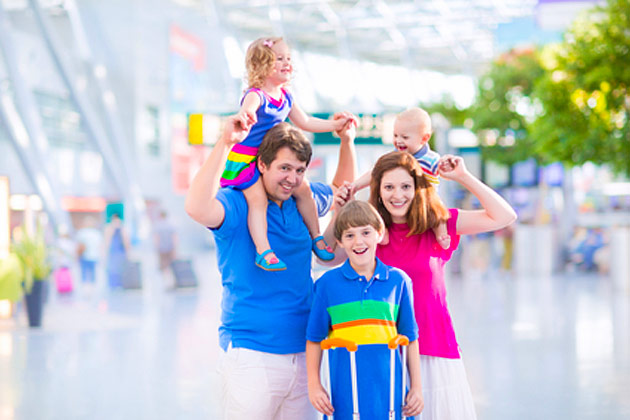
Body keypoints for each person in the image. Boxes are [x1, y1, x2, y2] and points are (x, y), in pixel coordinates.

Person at [185, 113, 357, 420]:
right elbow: (197, 208)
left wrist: (347, 141)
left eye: (299, 170)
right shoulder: (237, 203)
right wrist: (226, 142)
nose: (292, 178)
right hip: (253, 353)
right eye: (284, 168)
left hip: (306, 351)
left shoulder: (301, 201)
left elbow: (341, 188)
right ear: (262, 165)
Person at [355, 151, 516, 420]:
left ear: (417, 188)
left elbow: (504, 216)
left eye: (406, 186)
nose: (398, 195)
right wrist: (347, 198)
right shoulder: (369, 234)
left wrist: (463, 177)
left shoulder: (437, 225)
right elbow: (328, 257)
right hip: (383, 352)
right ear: (378, 191)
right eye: (389, 187)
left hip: (434, 347)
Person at [221, 36, 355, 271]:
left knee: (304, 190)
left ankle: (316, 236)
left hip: (268, 156)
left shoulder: (286, 96)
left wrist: (336, 126)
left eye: (288, 59)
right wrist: (244, 118)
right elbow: (246, 111)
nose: (287, 64)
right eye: (279, 59)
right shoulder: (256, 95)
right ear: (261, 65)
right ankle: (263, 250)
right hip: (246, 160)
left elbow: (306, 121)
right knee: (257, 200)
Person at [306, 200, 424, 420]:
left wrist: (416, 387)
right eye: (349, 235)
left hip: (390, 395)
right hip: (344, 395)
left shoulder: (398, 281)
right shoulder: (326, 285)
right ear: (339, 241)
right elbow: (314, 338)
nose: (358, 241)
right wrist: (314, 385)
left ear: (379, 234)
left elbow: (410, 338)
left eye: (366, 232)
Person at [350, 107, 450, 249]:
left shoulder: (431, 159)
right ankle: (381, 230)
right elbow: (374, 172)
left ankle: (441, 235)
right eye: (395, 135)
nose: (398, 141)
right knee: (376, 208)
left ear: (424, 138)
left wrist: (447, 165)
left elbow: (445, 171)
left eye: (405, 137)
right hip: (402, 202)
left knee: (438, 212)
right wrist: (356, 185)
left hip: (425, 201)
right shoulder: (395, 157)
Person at [103, 212, 131, 289]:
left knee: (113, 268)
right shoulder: (122, 227)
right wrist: (128, 251)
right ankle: (119, 284)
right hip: (120, 251)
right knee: (120, 268)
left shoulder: (110, 227)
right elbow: (126, 241)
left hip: (114, 251)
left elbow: (107, 240)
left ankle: (114, 285)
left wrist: (105, 251)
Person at [75, 216, 103, 285]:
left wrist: (76, 256)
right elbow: (100, 246)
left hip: (84, 256)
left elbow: (78, 245)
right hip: (94, 256)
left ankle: (86, 288)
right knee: (93, 273)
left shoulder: (82, 232)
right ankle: (92, 287)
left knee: (84, 273)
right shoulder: (97, 233)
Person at [153, 210, 177, 286]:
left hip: (162, 249)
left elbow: (157, 238)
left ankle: (166, 282)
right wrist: (175, 248)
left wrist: (156, 247)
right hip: (170, 248)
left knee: (163, 266)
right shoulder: (171, 225)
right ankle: (172, 281)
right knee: (171, 264)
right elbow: (175, 237)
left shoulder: (158, 225)